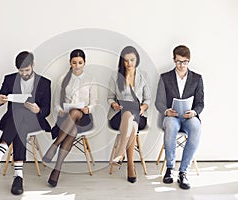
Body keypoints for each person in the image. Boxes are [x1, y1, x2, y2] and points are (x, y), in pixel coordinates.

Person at [0, 51, 51, 195]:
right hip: (15, 121)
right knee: (19, 122)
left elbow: (46, 110)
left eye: (27, 70)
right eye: (21, 71)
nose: (24, 74)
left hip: (35, 120)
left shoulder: (44, 82)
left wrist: (38, 109)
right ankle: (18, 177)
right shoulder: (9, 79)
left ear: (33, 65)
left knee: (20, 116)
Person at [42, 49, 98, 187]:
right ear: (70, 63)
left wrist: (88, 108)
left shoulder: (90, 79)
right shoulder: (62, 79)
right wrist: (59, 110)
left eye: (80, 63)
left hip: (84, 118)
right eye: (74, 63)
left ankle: (55, 145)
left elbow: (95, 102)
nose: (77, 65)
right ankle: (57, 169)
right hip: (66, 119)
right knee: (72, 130)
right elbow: (55, 102)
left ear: (84, 63)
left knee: (75, 112)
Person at [155, 45, 204, 189]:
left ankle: (183, 172)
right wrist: (166, 111)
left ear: (189, 61)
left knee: (196, 126)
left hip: (189, 117)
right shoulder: (165, 77)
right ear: (174, 60)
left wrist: (194, 112)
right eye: (178, 61)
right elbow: (159, 101)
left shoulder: (197, 78)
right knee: (170, 125)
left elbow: (200, 103)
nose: (181, 65)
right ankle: (170, 168)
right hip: (173, 116)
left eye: (185, 62)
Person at [107, 46, 151, 183]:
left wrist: (143, 107)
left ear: (136, 60)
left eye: (132, 60)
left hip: (139, 114)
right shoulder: (115, 75)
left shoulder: (143, 76)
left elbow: (148, 99)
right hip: (119, 115)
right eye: (126, 60)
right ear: (122, 61)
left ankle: (120, 154)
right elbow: (110, 97)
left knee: (131, 117)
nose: (129, 63)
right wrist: (114, 104)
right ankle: (130, 166)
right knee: (128, 117)